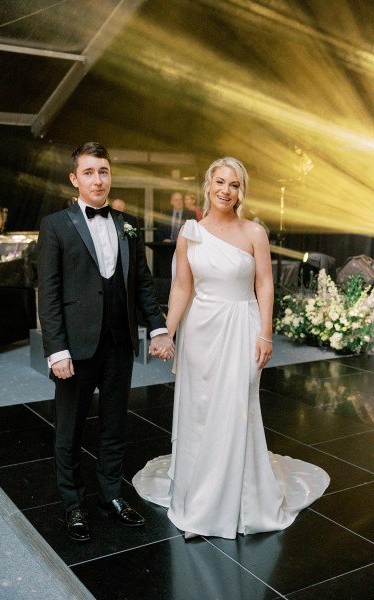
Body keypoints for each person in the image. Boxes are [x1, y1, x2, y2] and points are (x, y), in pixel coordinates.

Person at [133, 156, 330, 539]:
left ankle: (229, 502)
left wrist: (266, 333)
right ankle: (199, 500)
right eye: (220, 182)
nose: (226, 190)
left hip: (242, 327)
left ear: (242, 191)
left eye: (234, 184)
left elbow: (265, 285)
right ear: (208, 185)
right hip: (200, 332)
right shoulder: (190, 232)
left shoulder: (254, 232)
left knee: (235, 409)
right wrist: (166, 331)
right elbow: (181, 287)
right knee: (200, 411)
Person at [37, 142, 174, 543]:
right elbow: (49, 292)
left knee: (115, 426)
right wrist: (56, 350)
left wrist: (159, 328)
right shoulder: (56, 225)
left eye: (104, 172)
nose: (98, 179)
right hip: (74, 350)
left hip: (118, 344)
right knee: (70, 430)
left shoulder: (128, 223)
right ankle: (73, 504)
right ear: (74, 178)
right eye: (90, 172)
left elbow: (143, 284)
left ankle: (111, 496)